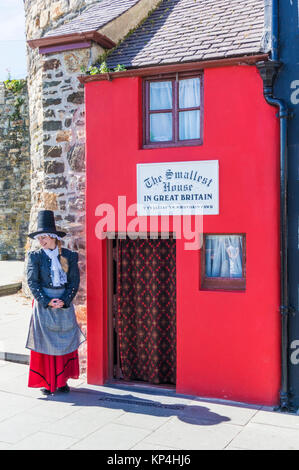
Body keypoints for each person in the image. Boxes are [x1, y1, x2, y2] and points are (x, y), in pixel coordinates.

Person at [25, 210, 86, 395]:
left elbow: (74, 281)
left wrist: (65, 300)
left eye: (44, 237)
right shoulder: (35, 257)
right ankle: (47, 382)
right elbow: (32, 283)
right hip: (44, 304)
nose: (41, 241)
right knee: (45, 344)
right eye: (39, 238)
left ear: (53, 237)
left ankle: (61, 381)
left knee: (64, 341)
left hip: (63, 304)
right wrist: (47, 301)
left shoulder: (68, 256)